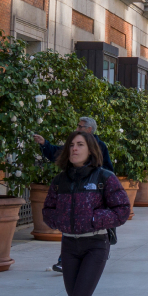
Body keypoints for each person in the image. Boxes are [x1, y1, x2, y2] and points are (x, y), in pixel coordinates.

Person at [40, 131, 130, 296]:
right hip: (68, 246)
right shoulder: (60, 181)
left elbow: (122, 209)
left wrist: (94, 219)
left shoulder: (104, 177)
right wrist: (61, 220)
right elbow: (47, 211)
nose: (74, 149)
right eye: (71, 145)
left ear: (90, 150)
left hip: (95, 245)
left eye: (80, 145)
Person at [34, 117, 115, 272]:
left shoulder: (100, 146)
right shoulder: (73, 146)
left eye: (80, 126)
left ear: (90, 129)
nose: (77, 129)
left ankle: (95, 254)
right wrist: (45, 144)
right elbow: (59, 153)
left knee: (88, 229)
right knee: (71, 227)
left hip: (91, 197)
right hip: (73, 194)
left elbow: (108, 170)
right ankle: (65, 260)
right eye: (77, 126)